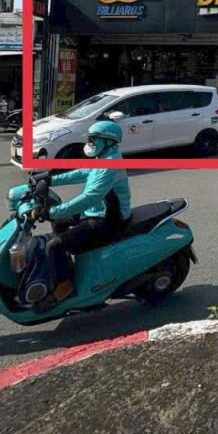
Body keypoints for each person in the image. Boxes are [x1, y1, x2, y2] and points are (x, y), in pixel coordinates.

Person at [39, 120, 132, 303]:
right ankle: (65, 265)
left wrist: (53, 211)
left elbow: (90, 197)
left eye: (93, 139)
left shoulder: (110, 164)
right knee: (59, 223)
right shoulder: (104, 158)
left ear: (108, 141)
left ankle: (64, 287)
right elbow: (82, 173)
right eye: (89, 139)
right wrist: (49, 179)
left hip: (108, 218)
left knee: (54, 245)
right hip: (97, 211)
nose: (89, 143)